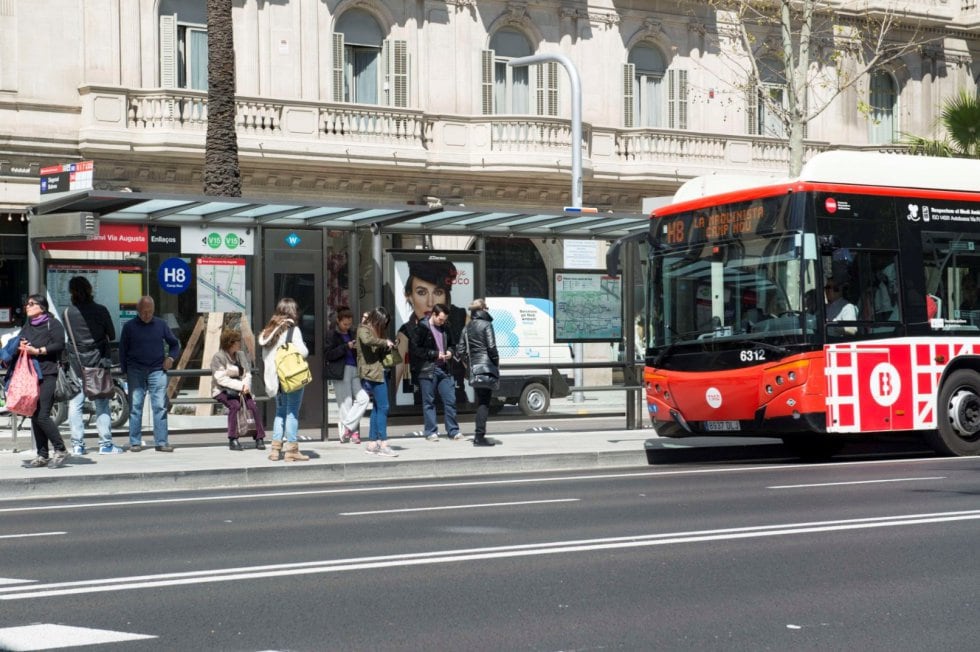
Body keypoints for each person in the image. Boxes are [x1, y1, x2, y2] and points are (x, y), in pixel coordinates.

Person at [395, 260, 468, 403]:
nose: (430, 302)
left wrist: (456, 354)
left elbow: (471, 369)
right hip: (424, 400)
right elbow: (393, 382)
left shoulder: (461, 318)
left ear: (446, 296)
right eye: (421, 292)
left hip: (456, 400)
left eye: (438, 292)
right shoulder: (406, 332)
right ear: (409, 295)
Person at [63, 276, 121, 456]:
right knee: (102, 402)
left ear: (71, 292)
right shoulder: (101, 310)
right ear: (90, 290)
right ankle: (106, 444)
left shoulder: (67, 313)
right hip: (98, 364)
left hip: (77, 364)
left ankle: (77, 445)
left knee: (76, 404)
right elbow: (111, 335)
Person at [120, 296, 180, 452]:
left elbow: (175, 344)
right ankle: (135, 442)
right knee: (135, 406)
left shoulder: (161, 324)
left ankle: (161, 442)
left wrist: (171, 358)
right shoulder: (129, 327)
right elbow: (123, 351)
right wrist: (125, 371)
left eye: (150, 312)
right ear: (138, 311)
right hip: (135, 371)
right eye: (144, 312)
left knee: (160, 406)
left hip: (157, 370)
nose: (147, 315)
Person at [17, 295, 69, 468]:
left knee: (43, 415)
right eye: (27, 304)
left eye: (32, 304)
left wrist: (38, 350)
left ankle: (60, 449)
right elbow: (21, 342)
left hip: (49, 374)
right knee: (34, 414)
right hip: (31, 375)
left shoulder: (52, 324)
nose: (28, 306)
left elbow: (59, 344)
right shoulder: (28, 325)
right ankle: (42, 454)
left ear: (43, 307)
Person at [258, 297, 309, 462]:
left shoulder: (268, 331)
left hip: (275, 380)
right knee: (292, 412)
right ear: (293, 312)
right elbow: (303, 352)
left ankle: (275, 450)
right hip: (290, 378)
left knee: (280, 413)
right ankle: (292, 449)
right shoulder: (293, 330)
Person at [409, 303, 461, 441]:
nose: (442, 322)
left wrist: (450, 351)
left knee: (450, 400)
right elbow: (415, 349)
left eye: (444, 319)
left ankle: (453, 431)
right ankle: (431, 432)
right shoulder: (422, 328)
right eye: (440, 319)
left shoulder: (446, 327)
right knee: (429, 402)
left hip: (444, 368)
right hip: (428, 369)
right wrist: (434, 354)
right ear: (434, 315)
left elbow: (452, 344)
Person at [210, 329, 266, 451]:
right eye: (237, 341)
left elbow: (247, 373)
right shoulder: (218, 357)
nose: (239, 343)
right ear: (230, 343)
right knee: (234, 405)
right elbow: (221, 379)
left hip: (242, 389)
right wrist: (240, 386)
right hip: (222, 390)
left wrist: (245, 387)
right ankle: (233, 439)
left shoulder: (240, 355)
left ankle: (259, 437)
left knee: (252, 406)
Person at [356, 307, 398, 457]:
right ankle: (383, 443)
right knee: (384, 407)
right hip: (372, 374)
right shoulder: (363, 329)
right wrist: (384, 342)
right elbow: (367, 341)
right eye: (383, 322)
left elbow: (379, 347)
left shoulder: (378, 331)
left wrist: (390, 346)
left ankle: (372, 443)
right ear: (376, 319)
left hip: (380, 372)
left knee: (377, 408)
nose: (384, 325)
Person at [325, 306, 369, 444]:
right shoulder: (332, 334)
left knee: (364, 399)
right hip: (341, 370)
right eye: (345, 324)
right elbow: (328, 355)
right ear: (338, 321)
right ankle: (353, 433)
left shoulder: (352, 333)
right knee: (346, 403)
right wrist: (346, 347)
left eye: (349, 324)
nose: (347, 327)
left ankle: (346, 428)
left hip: (355, 369)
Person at [458, 298, 498, 446]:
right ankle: (479, 436)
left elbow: (460, 350)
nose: (488, 310)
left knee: (481, 401)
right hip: (487, 369)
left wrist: (470, 363)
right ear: (482, 309)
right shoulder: (487, 325)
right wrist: (495, 363)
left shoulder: (467, 327)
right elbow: (492, 348)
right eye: (486, 307)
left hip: (474, 370)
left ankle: (479, 435)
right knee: (484, 403)